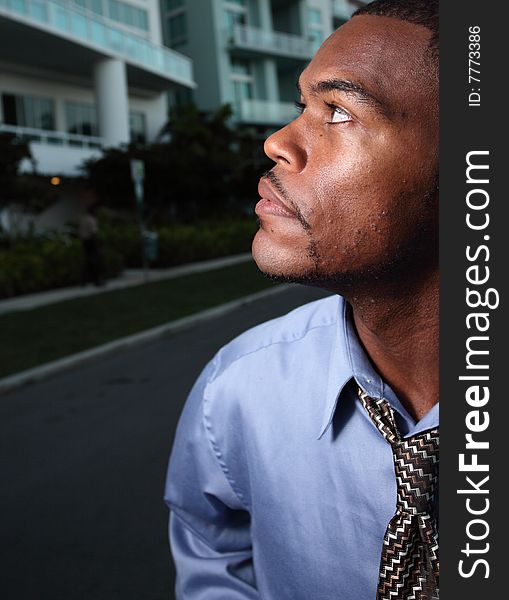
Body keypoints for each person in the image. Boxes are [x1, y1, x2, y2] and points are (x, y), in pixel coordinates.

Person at [165, 1, 439, 598]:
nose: (276, 142)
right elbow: (213, 548)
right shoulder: (238, 389)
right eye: (302, 105)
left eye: (338, 110)